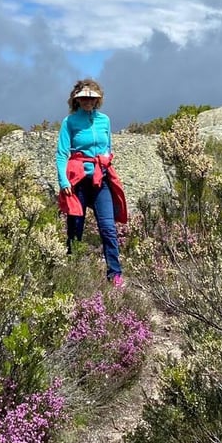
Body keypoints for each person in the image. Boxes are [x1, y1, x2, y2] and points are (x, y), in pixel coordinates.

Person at [55, 79, 128, 287]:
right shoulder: (69, 122)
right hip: (77, 182)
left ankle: (115, 275)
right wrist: (63, 180)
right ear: (76, 100)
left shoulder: (105, 120)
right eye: (84, 98)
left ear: (98, 100)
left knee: (108, 228)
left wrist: (105, 160)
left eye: (92, 98)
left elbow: (108, 148)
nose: (88, 101)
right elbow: (62, 153)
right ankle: (72, 273)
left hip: (100, 180)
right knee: (75, 229)